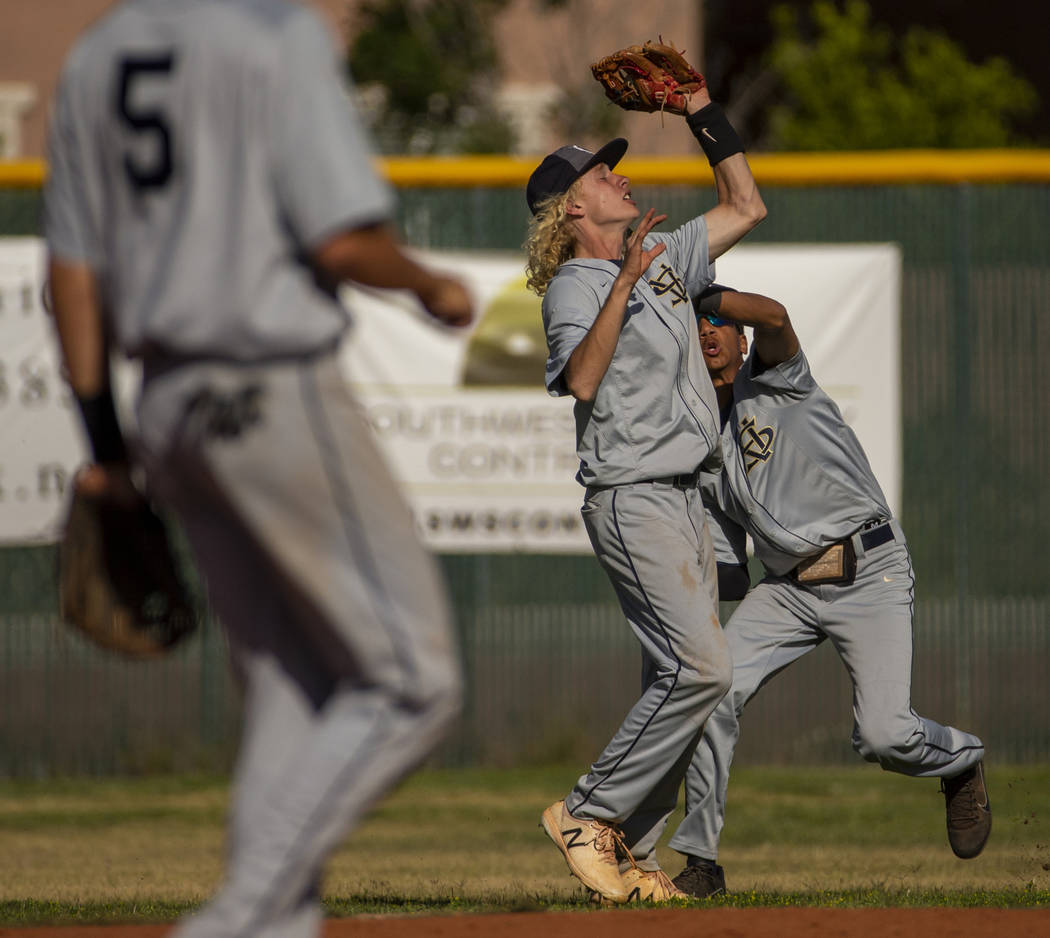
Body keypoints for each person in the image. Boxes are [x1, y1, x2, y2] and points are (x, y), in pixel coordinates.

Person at [43, 2, 474, 937]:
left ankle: (270, 926)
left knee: (290, 684)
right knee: (412, 681)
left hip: (164, 406)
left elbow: (70, 276)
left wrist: (108, 454)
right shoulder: (272, 35)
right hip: (267, 385)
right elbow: (339, 241)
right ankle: (234, 920)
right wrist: (430, 283)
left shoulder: (93, 61)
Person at [523, 84, 766, 904]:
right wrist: (624, 281)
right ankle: (588, 814)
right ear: (571, 211)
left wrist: (699, 106)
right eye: (599, 174)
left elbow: (746, 203)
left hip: (689, 501)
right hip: (633, 497)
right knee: (700, 669)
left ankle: (625, 847)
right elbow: (583, 380)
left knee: (701, 682)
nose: (616, 175)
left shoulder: (665, 258)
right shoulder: (576, 287)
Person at [666, 285, 991, 897]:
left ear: (740, 339)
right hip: (788, 588)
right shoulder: (703, 449)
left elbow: (777, 317)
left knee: (884, 737)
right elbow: (730, 569)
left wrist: (702, 292)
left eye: (716, 324)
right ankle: (702, 862)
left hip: (869, 568)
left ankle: (963, 758)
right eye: (695, 327)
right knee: (714, 691)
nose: (707, 332)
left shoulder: (778, 382)